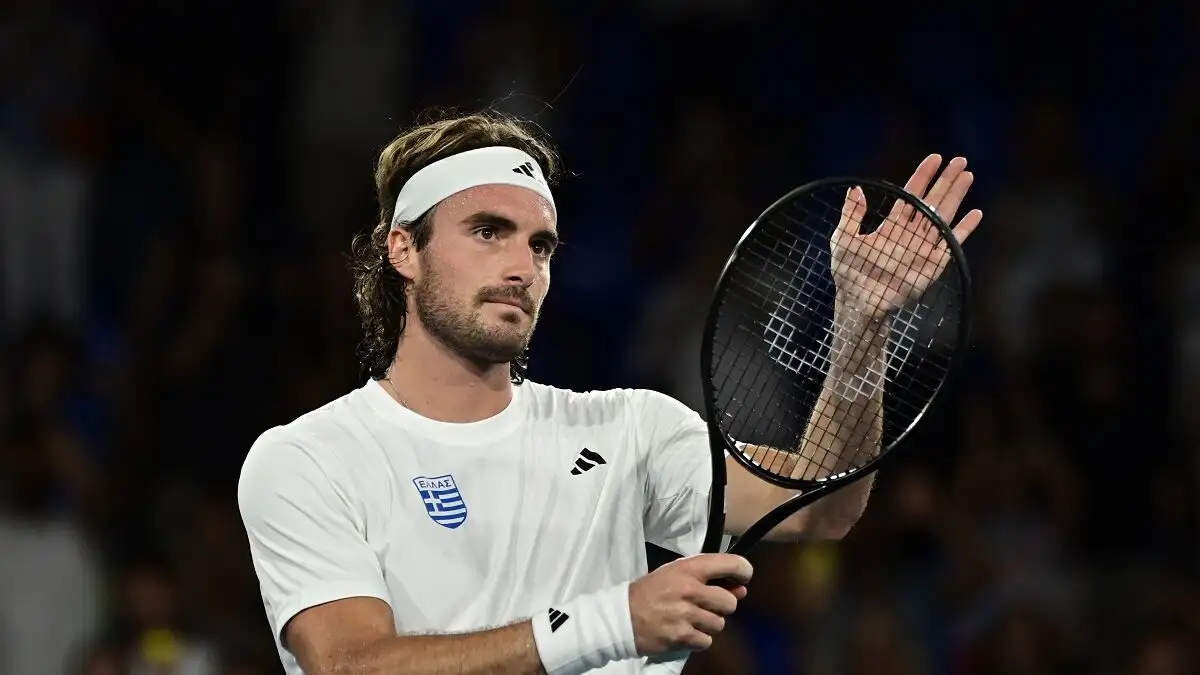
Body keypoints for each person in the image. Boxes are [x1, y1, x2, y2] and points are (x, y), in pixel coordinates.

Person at [237, 109, 982, 675]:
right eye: (488, 231)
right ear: (404, 249)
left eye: (539, 245)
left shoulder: (629, 430)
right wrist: (611, 622)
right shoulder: (309, 458)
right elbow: (352, 666)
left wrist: (861, 325)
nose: (522, 267)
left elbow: (821, 506)